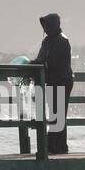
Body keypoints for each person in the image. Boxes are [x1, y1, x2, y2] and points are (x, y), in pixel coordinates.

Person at [33, 13, 74, 154]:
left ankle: (60, 147)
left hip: (63, 81)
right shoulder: (47, 41)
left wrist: (39, 64)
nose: (45, 28)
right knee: (54, 114)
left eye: (47, 24)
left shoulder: (62, 41)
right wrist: (33, 63)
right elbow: (41, 59)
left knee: (59, 114)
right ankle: (53, 146)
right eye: (44, 25)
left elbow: (55, 63)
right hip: (52, 81)